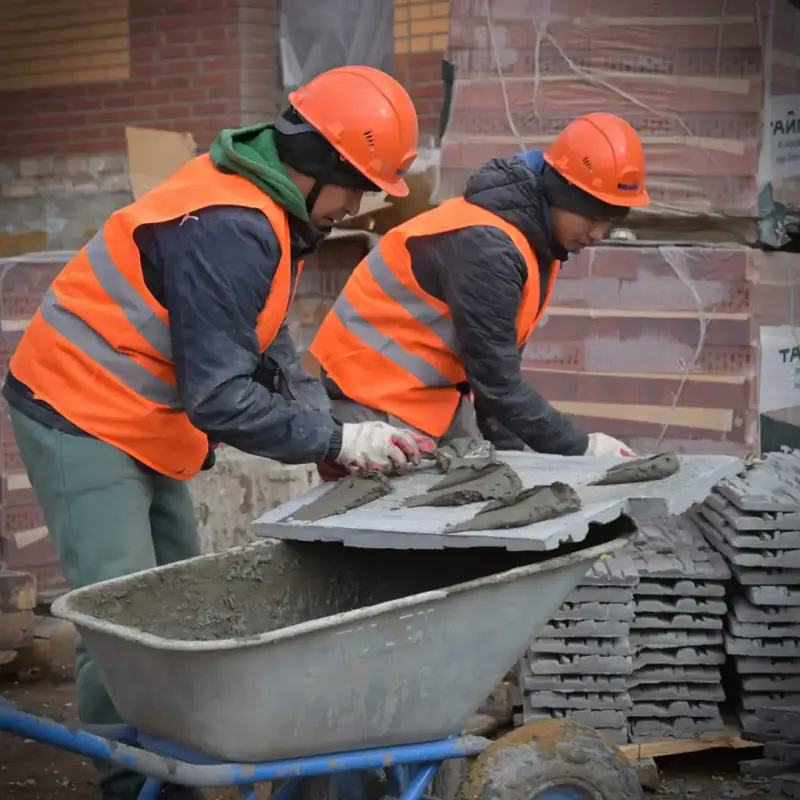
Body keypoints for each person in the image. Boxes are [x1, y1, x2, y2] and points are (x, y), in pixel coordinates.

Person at [3, 66, 431, 800]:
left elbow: (267, 339)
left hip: (141, 412)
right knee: (119, 614)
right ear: (322, 164)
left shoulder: (266, 205)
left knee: (178, 598)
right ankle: (131, 781)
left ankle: (175, 760)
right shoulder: (229, 224)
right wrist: (333, 442)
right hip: (77, 402)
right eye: (358, 187)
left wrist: (326, 429)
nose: (356, 207)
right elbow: (222, 398)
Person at [311, 113, 649, 464]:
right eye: (592, 216)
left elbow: (497, 373)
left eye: (610, 220)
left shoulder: (534, 242)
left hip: (428, 398)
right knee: (408, 500)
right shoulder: (489, 247)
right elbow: (498, 384)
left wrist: (512, 456)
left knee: (491, 479)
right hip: (371, 398)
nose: (598, 234)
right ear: (560, 193)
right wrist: (583, 449)